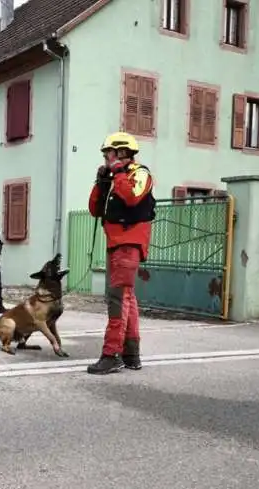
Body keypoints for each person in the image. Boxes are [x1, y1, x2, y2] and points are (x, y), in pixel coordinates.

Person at [86, 131, 155, 375]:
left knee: (117, 298)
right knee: (127, 298)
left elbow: (131, 198)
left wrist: (118, 172)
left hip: (129, 243)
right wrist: (101, 182)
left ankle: (111, 354)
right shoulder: (116, 177)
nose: (106, 159)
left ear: (122, 153)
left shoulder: (139, 174)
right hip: (116, 243)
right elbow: (94, 209)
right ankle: (131, 354)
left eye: (109, 155)